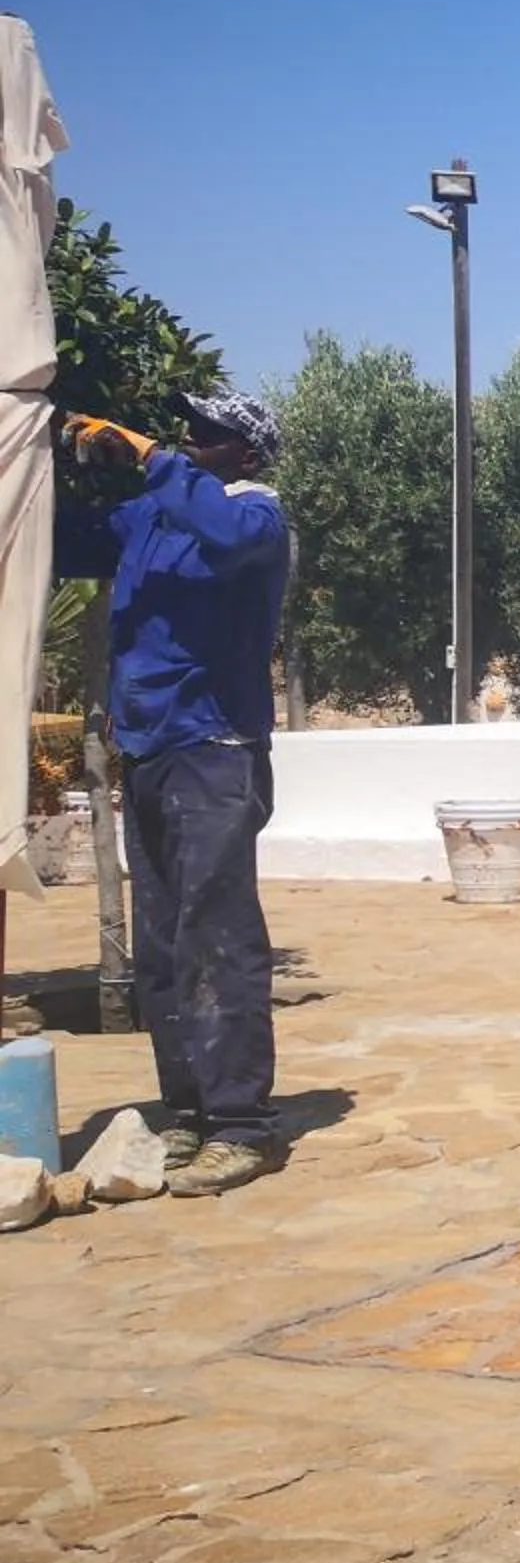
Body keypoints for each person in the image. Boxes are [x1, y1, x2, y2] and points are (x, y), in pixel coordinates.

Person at [56, 390, 291, 1196]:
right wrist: (41, 462)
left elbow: (222, 537)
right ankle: (187, 1113)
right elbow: (61, 541)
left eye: (213, 434)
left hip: (215, 751)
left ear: (247, 455)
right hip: (151, 750)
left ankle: (242, 1125)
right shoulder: (152, 517)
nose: (193, 439)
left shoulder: (255, 518)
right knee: (160, 947)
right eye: (190, 429)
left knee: (215, 935)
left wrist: (153, 456)